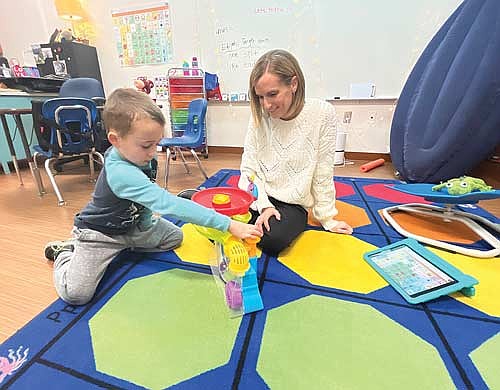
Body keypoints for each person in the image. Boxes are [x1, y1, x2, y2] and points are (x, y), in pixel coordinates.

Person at [44, 88, 262, 305]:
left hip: (133, 228)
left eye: (156, 143)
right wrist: (229, 225)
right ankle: (67, 251)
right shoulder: (121, 172)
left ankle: (127, 244)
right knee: (76, 294)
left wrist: (146, 224)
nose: (153, 152)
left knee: (174, 237)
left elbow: (146, 198)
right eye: (147, 145)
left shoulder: (141, 156)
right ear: (115, 140)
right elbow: (167, 203)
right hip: (101, 235)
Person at [238, 49, 353, 256]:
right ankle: (239, 223)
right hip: (259, 194)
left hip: (292, 204)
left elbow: (323, 171)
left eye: (272, 94)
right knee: (218, 216)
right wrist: (263, 206)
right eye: (260, 97)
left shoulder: (322, 113)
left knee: (274, 240)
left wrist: (327, 218)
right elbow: (249, 169)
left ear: (293, 84)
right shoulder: (259, 116)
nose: (266, 105)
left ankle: (238, 227)